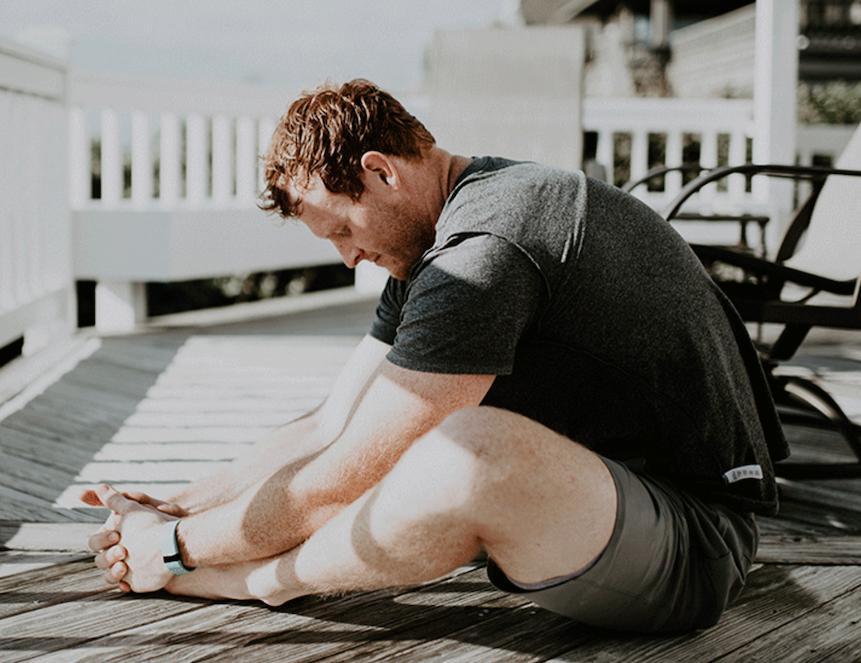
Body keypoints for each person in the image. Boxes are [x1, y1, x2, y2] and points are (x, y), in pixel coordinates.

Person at [82, 79, 788, 633]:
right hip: (594, 507)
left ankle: (261, 583)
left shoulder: (486, 249)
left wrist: (179, 550)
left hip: (693, 543)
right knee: (404, 439)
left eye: (341, 230)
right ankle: (226, 563)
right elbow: (332, 425)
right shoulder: (434, 243)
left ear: (381, 172)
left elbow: (345, 476)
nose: (349, 256)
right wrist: (177, 505)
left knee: (464, 453)